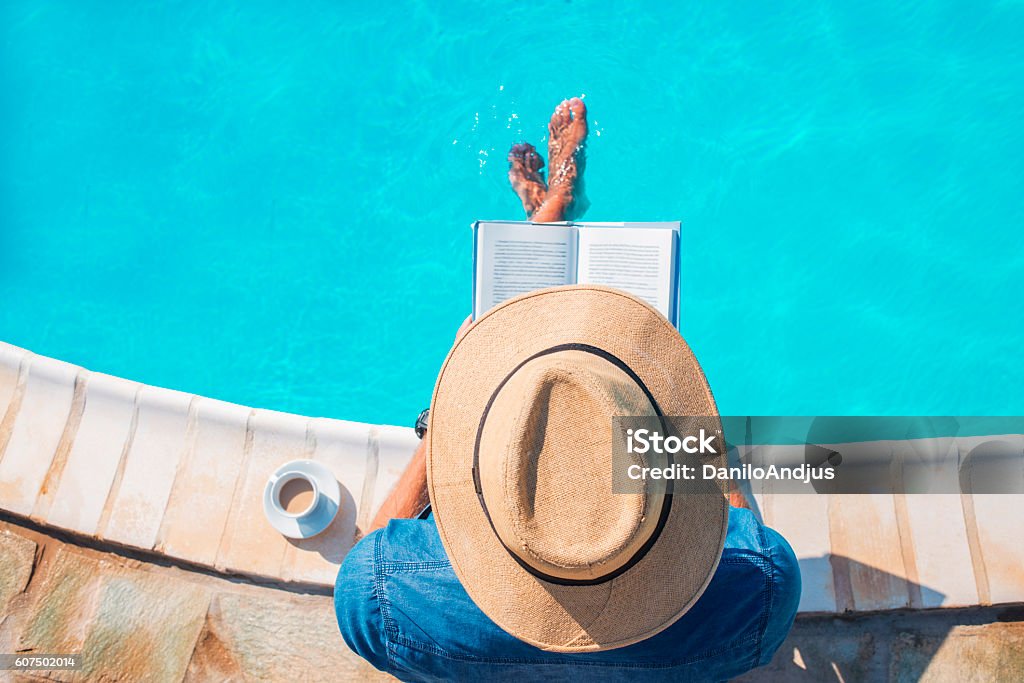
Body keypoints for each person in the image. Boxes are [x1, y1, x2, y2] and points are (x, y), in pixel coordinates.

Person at [334, 98, 800, 682]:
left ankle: (547, 217)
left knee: (535, 398)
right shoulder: (761, 590)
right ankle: (553, 204)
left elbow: (363, 562)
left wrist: (446, 422)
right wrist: (691, 432)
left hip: (489, 575)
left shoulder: (379, 597)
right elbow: (739, 527)